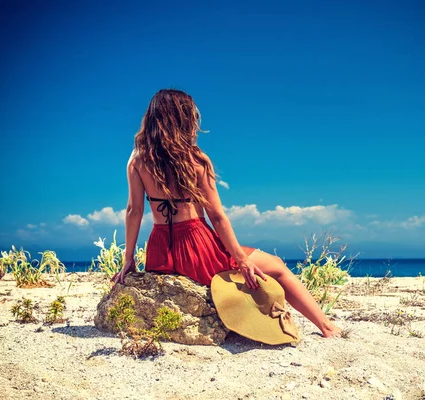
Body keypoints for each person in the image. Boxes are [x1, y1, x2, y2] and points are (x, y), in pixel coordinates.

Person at [111, 89, 341, 338]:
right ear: (185, 120)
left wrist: (129, 259)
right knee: (277, 267)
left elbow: (134, 211)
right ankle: (327, 328)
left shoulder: (138, 160)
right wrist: (241, 260)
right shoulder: (197, 160)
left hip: (160, 253)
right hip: (197, 248)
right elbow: (217, 217)